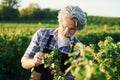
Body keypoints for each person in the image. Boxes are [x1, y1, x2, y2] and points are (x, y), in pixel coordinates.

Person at [21, 5, 87, 80]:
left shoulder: (79, 48)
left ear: (77, 29)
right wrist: (33, 61)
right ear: (60, 22)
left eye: (71, 29)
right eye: (63, 26)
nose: (66, 31)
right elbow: (24, 62)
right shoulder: (42, 34)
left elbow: (73, 76)